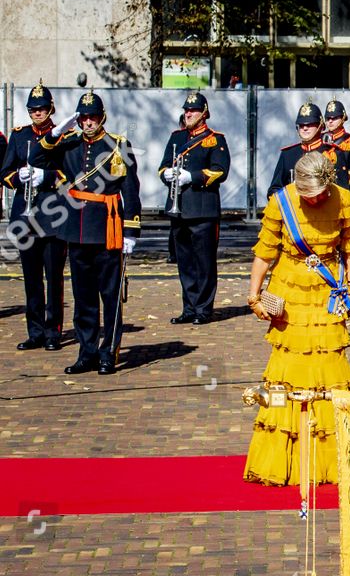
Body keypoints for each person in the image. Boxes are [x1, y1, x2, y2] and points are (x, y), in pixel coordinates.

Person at [244, 153, 350, 486]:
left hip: (327, 292)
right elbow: (264, 251)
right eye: (309, 196)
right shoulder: (280, 202)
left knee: (329, 368)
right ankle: (286, 457)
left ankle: (331, 457)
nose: (317, 200)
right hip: (290, 292)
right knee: (289, 370)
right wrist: (253, 295)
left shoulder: (344, 199)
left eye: (321, 194)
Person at [44, 92, 142, 375]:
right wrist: (57, 131)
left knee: (110, 296)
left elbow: (130, 190)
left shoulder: (118, 146)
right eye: (83, 117)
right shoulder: (69, 144)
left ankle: (108, 352)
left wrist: (131, 231)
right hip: (77, 231)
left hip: (106, 229)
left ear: (102, 117)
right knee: (83, 297)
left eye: (92, 117)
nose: (88, 122)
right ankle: (86, 352)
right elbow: (40, 155)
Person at [2, 82, 67, 351]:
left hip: (52, 216)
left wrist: (47, 177)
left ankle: (53, 332)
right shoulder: (19, 136)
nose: (37, 114)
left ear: (50, 108)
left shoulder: (63, 136)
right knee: (31, 278)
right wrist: (19, 177)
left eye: (41, 109)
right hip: (25, 217)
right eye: (33, 110)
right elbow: (4, 174)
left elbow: (71, 177)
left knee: (53, 277)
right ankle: (35, 331)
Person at [158, 91, 231, 325]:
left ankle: (203, 308)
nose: (188, 114)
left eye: (193, 111)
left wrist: (193, 176)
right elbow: (163, 167)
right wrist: (167, 174)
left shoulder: (215, 139)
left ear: (204, 113)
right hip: (179, 209)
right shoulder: (177, 137)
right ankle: (188, 308)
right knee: (185, 262)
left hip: (202, 209)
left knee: (204, 263)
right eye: (186, 110)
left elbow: (220, 170)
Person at [267, 102, 335, 197]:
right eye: (301, 125)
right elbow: (275, 189)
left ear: (321, 126)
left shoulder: (333, 152)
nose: (305, 128)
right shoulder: (288, 154)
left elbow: (340, 190)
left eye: (310, 124)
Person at [322, 100, 350, 199]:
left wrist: (335, 179)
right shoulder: (320, 140)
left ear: (343, 118)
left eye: (334, 118)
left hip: (344, 193)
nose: (330, 121)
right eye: (328, 118)